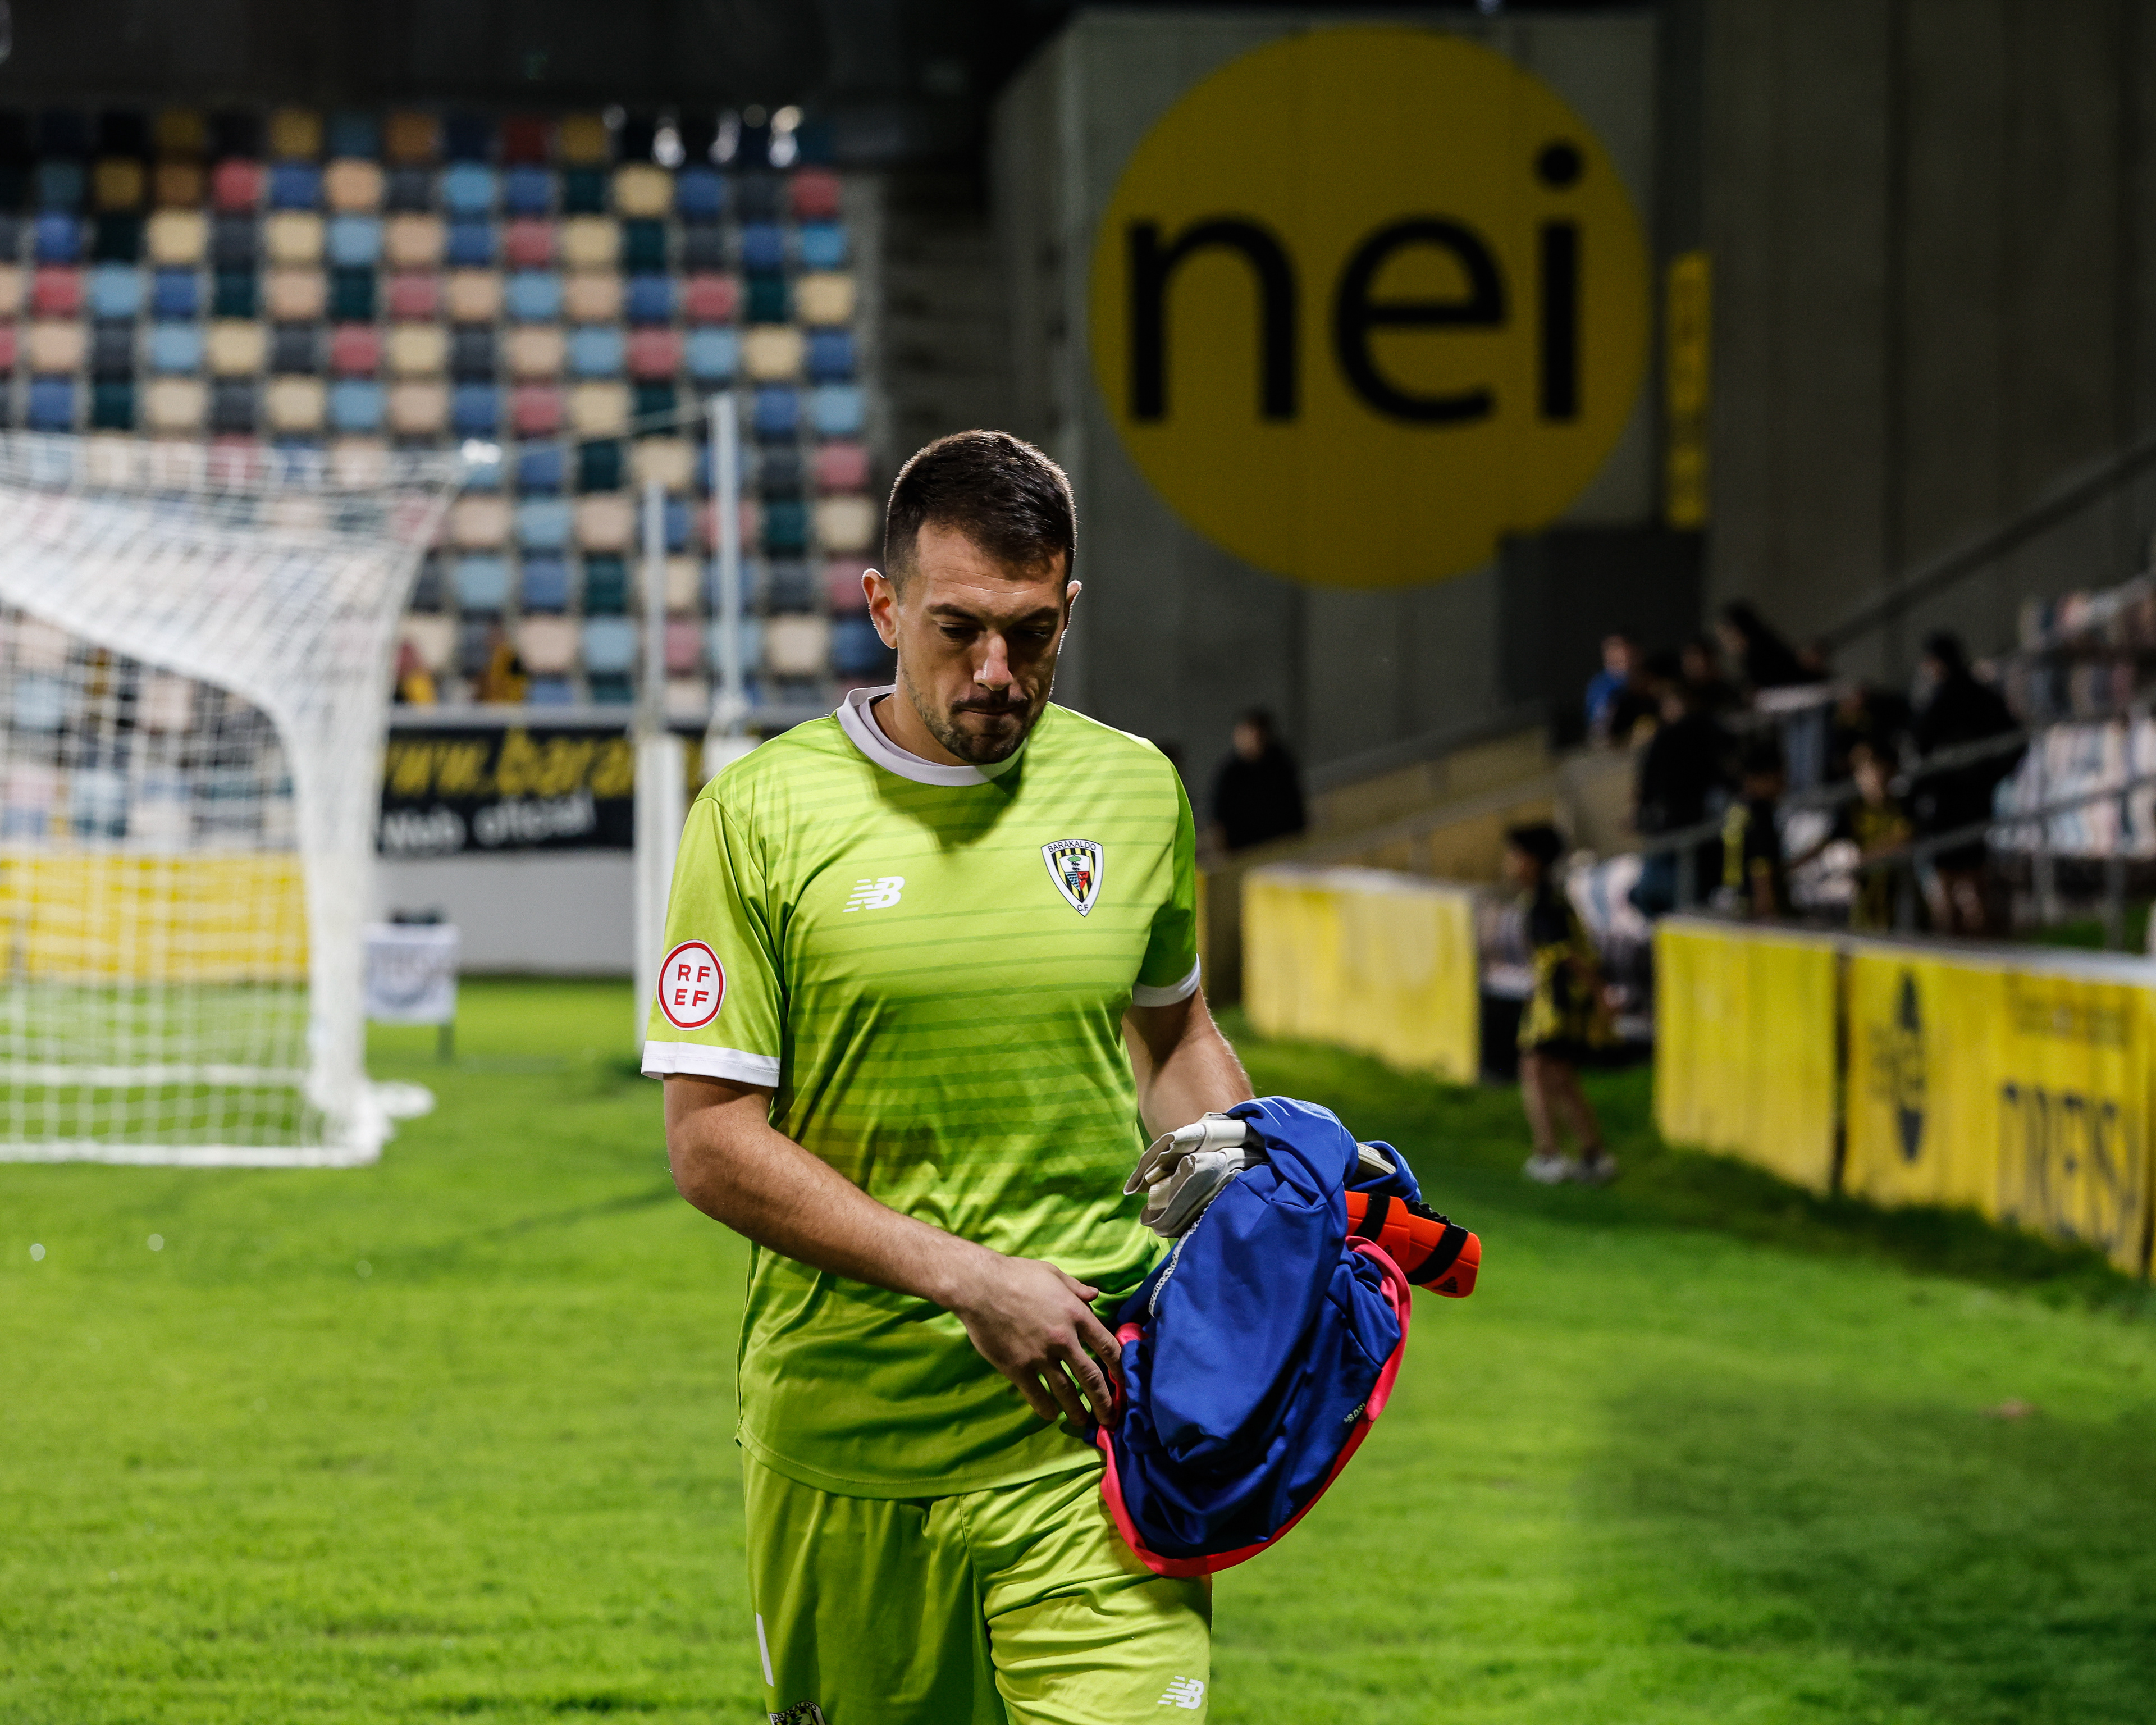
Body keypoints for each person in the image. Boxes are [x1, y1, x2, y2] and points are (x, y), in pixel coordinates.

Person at [647, 430, 1253, 1724]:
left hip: (1100, 1435)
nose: (995, 673)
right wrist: (968, 1277)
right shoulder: (757, 816)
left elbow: (1172, 1038)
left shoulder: (1132, 789)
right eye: (958, 629)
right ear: (883, 606)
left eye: (1032, 633)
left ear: (1069, 606)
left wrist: (1268, 1203)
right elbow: (709, 1142)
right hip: (851, 1439)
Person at [1505, 823, 1616, 1186]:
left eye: (1515, 855)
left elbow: (1570, 957)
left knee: (1536, 1069)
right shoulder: (1546, 899)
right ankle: (1593, 1155)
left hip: (1558, 1003)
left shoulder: (1545, 903)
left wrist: (1600, 996)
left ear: (1534, 861)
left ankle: (1549, 1155)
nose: (1509, 863)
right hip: (1558, 1000)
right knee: (1559, 1075)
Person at [1908, 629, 2021, 935]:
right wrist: (1993, 775)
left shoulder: (1942, 699)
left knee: (1950, 885)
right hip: (1972, 798)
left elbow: (1919, 745)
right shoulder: (1981, 695)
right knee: (1972, 882)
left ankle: (1957, 945)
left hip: (1949, 804)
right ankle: (1978, 943)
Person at [1629, 673, 1729, 915]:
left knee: (1687, 885)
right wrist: (1642, 810)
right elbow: (1647, 784)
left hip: (1695, 820)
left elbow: (1720, 770)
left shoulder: (1703, 728)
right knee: (1650, 892)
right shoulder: (1662, 739)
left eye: (1677, 701)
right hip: (1670, 824)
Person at [1208, 707, 1305, 853]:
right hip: (1246, 851)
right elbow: (1219, 820)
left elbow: (1294, 804)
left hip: (1285, 844)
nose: (1253, 740)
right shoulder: (1229, 774)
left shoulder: (1280, 761)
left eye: (1257, 734)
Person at [1719, 739, 1789, 919]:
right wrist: (1767, 911)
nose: (1783, 786)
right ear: (1759, 778)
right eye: (1777, 779)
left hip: (1735, 899)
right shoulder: (1760, 813)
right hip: (1756, 907)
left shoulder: (1737, 808)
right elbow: (1760, 867)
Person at [1715, 600, 1811, 694]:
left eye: (1724, 636)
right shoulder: (1758, 655)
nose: (1723, 643)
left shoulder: (1762, 658)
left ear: (1737, 631)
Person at [1678, 633, 1740, 715]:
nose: (1690, 663)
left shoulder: (1726, 692)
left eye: (1695, 657)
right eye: (1687, 658)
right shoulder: (1681, 694)